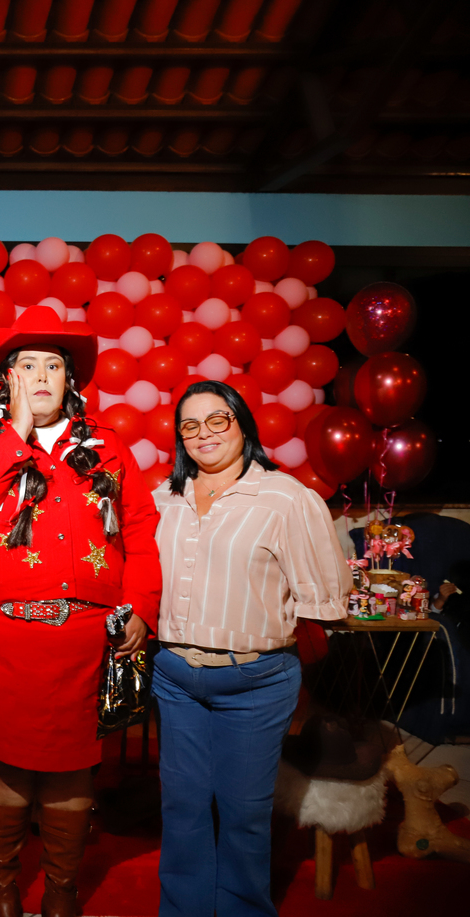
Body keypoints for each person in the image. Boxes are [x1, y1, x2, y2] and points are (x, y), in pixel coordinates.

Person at [0, 306, 161, 917]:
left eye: (53, 366)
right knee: (2, 764)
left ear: (70, 379)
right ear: (6, 380)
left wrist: (142, 604)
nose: (40, 376)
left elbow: (140, 531)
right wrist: (17, 433)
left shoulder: (107, 448)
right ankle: (3, 890)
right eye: (26, 365)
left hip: (83, 640)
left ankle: (61, 890)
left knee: (72, 769)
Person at [151, 380, 352, 917]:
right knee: (182, 807)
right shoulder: (163, 499)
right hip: (174, 678)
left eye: (218, 420)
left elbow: (324, 601)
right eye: (190, 426)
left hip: (255, 681)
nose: (204, 434)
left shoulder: (285, 498)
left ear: (242, 423)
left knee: (243, 813)